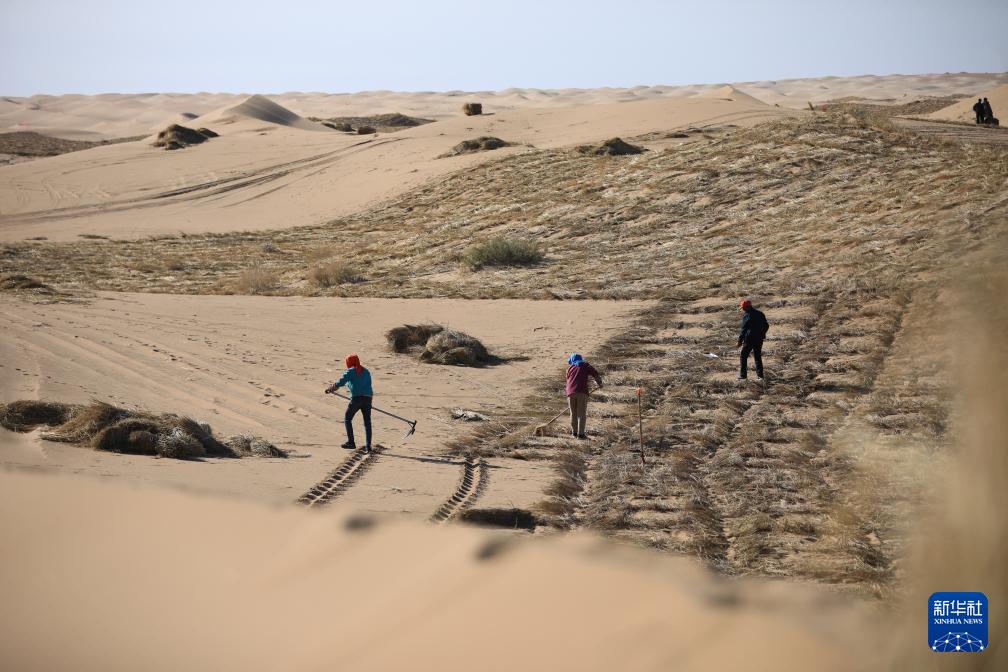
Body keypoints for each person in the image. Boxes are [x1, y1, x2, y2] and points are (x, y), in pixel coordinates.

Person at [325, 353, 374, 451]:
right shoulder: (366, 371)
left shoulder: (351, 370)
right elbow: (369, 385)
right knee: (367, 422)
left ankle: (351, 442)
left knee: (348, 419)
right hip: (368, 398)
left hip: (357, 399)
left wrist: (331, 388)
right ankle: (368, 446)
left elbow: (341, 381)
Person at [566, 353, 603, 439]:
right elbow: (595, 373)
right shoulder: (585, 365)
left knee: (573, 413)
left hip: (570, 393)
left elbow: (569, 380)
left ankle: (574, 433)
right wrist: (599, 383)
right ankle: (581, 434)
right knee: (581, 414)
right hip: (582, 391)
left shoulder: (569, 368)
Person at [737, 299, 770, 380]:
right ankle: (760, 376)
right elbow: (766, 326)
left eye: (743, 308)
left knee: (743, 356)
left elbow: (744, 329)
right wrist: (762, 334)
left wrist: (739, 341)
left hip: (749, 339)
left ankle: (743, 376)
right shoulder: (760, 313)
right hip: (759, 339)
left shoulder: (747, 315)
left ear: (747, 307)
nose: (743, 310)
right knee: (757, 357)